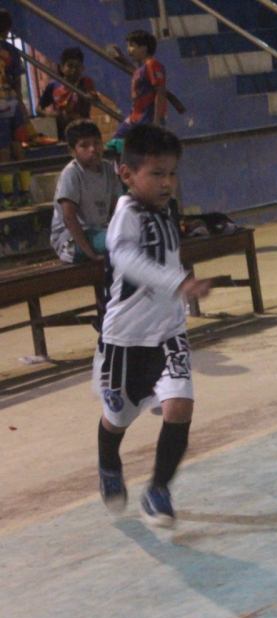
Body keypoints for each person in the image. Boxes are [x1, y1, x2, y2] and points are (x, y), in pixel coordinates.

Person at [93, 123, 213, 528]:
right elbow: (127, 260)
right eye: (156, 174)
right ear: (127, 175)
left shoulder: (166, 211)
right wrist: (178, 282)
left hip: (168, 334)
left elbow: (167, 259)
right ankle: (109, 463)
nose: (167, 183)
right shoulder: (126, 214)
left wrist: (181, 287)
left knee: (180, 407)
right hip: (125, 340)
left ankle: (158, 488)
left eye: (172, 173)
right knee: (117, 419)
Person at [49, 119, 121, 263]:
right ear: (72, 151)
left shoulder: (107, 169)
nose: (93, 149)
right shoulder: (72, 173)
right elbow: (69, 217)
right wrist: (91, 255)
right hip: (71, 240)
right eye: (84, 145)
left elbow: (116, 209)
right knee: (118, 244)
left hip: (98, 232)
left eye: (97, 143)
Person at [0, 9, 33, 209]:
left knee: (2, 149)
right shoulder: (11, 50)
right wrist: (22, 109)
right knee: (17, 145)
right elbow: (18, 82)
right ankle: (25, 191)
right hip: (11, 100)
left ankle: (7, 196)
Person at [111, 30, 167, 142]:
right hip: (135, 117)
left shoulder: (152, 64)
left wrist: (156, 122)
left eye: (132, 46)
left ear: (144, 48)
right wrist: (124, 60)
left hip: (147, 118)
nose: (128, 49)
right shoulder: (141, 68)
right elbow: (140, 75)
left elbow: (160, 92)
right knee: (114, 144)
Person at [39, 47, 97, 141]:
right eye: (70, 66)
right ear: (62, 68)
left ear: (82, 68)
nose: (74, 70)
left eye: (77, 66)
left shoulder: (85, 82)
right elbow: (39, 108)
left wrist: (91, 97)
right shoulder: (53, 86)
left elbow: (94, 98)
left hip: (83, 131)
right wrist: (51, 115)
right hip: (62, 133)